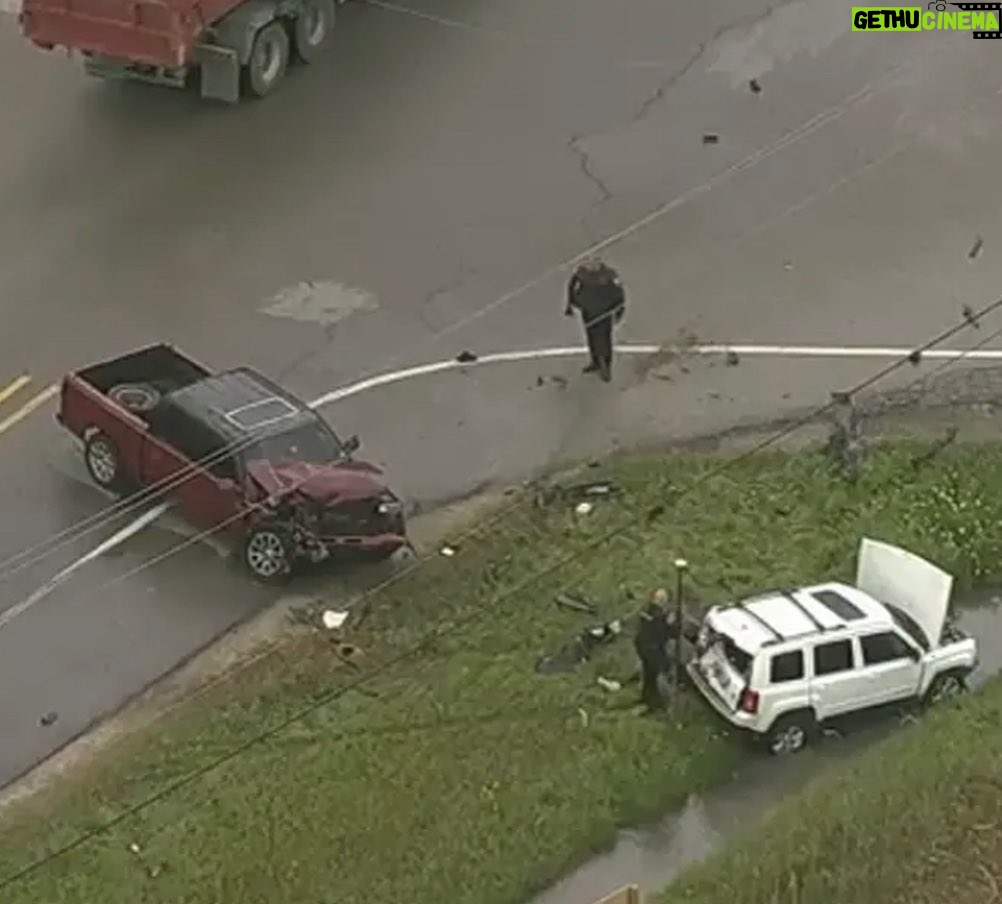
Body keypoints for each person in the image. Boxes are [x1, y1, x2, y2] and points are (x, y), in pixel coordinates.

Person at [564, 257, 626, 382]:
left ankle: (606, 366)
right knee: (591, 336)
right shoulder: (582, 274)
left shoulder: (609, 275)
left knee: (605, 338)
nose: (592, 267)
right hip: (588, 311)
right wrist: (570, 304)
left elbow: (620, 294)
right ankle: (596, 361)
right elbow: (571, 287)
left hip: (604, 312)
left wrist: (619, 311)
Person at [634, 589, 673, 711]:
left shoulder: (646, 610)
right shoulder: (659, 617)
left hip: (643, 647)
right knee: (660, 675)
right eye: (663, 600)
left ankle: (647, 699)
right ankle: (659, 703)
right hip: (653, 650)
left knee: (648, 676)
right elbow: (665, 633)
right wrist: (670, 623)